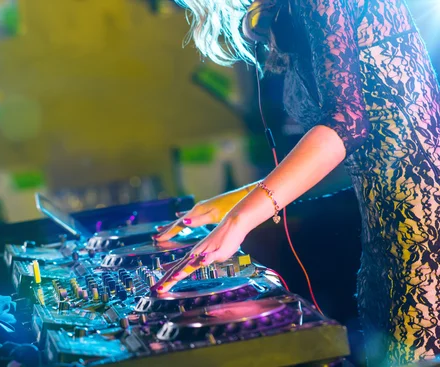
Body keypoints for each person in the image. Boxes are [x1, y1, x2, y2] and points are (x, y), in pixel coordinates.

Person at [152, 0, 440, 365]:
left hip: (425, 235)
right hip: (386, 246)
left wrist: (242, 219)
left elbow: (346, 125)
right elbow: (348, 160)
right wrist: (235, 203)